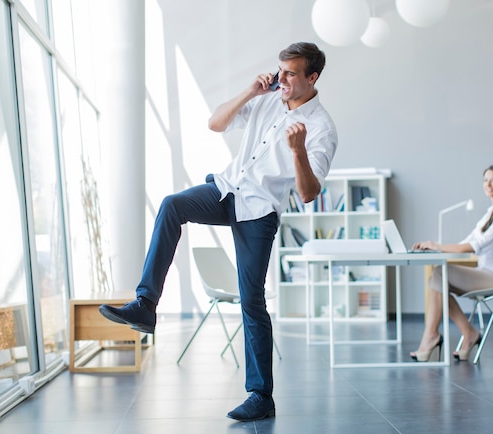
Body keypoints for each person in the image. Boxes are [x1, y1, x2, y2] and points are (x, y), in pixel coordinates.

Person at [98, 42, 337, 421]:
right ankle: (146, 305)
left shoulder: (321, 127)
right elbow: (216, 123)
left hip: (259, 212)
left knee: (251, 300)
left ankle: (261, 396)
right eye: (281, 71)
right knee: (172, 205)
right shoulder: (267, 99)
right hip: (226, 190)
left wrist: (298, 151)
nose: (283, 79)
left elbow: (308, 194)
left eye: (291, 73)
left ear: (313, 77)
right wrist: (250, 91)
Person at [410, 164, 493, 362]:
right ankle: (467, 333)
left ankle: (433, 336)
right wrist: (435, 247)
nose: (488, 184)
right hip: (487, 274)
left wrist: (439, 246)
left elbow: (478, 245)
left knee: (439, 275)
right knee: (438, 279)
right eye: (485, 180)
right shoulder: (489, 214)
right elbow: (466, 242)